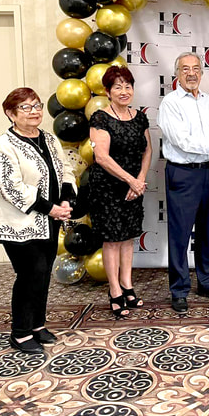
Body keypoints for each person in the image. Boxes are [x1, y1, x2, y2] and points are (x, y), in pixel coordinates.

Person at [0, 88, 75, 354]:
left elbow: (65, 170)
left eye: (36, 105)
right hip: (16, 223)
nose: (34, 111)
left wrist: (67, 200)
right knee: (30, 272)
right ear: (10, 114)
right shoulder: (5, 144)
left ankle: (37, 324)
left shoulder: (48, 139)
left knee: (44, 272)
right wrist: (50, 208)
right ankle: (20, 332)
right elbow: (8, 186)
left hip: (49, 220)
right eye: (25, 107)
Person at [158, 52, 209, 314]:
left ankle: (207, 283)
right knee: (180, 235)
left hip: (207, 172)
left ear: (202, 73)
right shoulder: (170, 103)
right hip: (182, 174)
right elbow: (182, 141)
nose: (191, 73)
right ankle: (179, 290)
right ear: (177, 74)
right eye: (185, 69)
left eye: (196, 68)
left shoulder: (208, 101)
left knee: (207, 229)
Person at [88, 66, 152, 318]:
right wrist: (130, 181)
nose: (124, 91)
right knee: (112, 240)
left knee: (128, 237)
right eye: (117, 87)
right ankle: (114, 290)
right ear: (107, 91)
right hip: (108, 187)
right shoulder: (100, 118)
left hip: (134, 186)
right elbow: (101, 157)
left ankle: (127, 285)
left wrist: (140, 180)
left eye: (128, 86)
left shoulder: (140, 117)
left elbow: (147, 150)